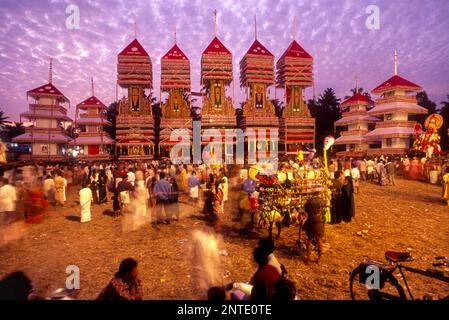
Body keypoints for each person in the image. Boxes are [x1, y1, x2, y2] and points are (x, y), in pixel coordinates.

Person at [304, 188, 325, 264]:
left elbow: (305, 210)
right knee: (319, 241)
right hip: (319, 222)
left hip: (311, 222)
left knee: (309, 240)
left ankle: (308, 259)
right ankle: (319, 259)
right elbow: (324, 211)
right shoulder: (322, 201)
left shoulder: (309, 202)